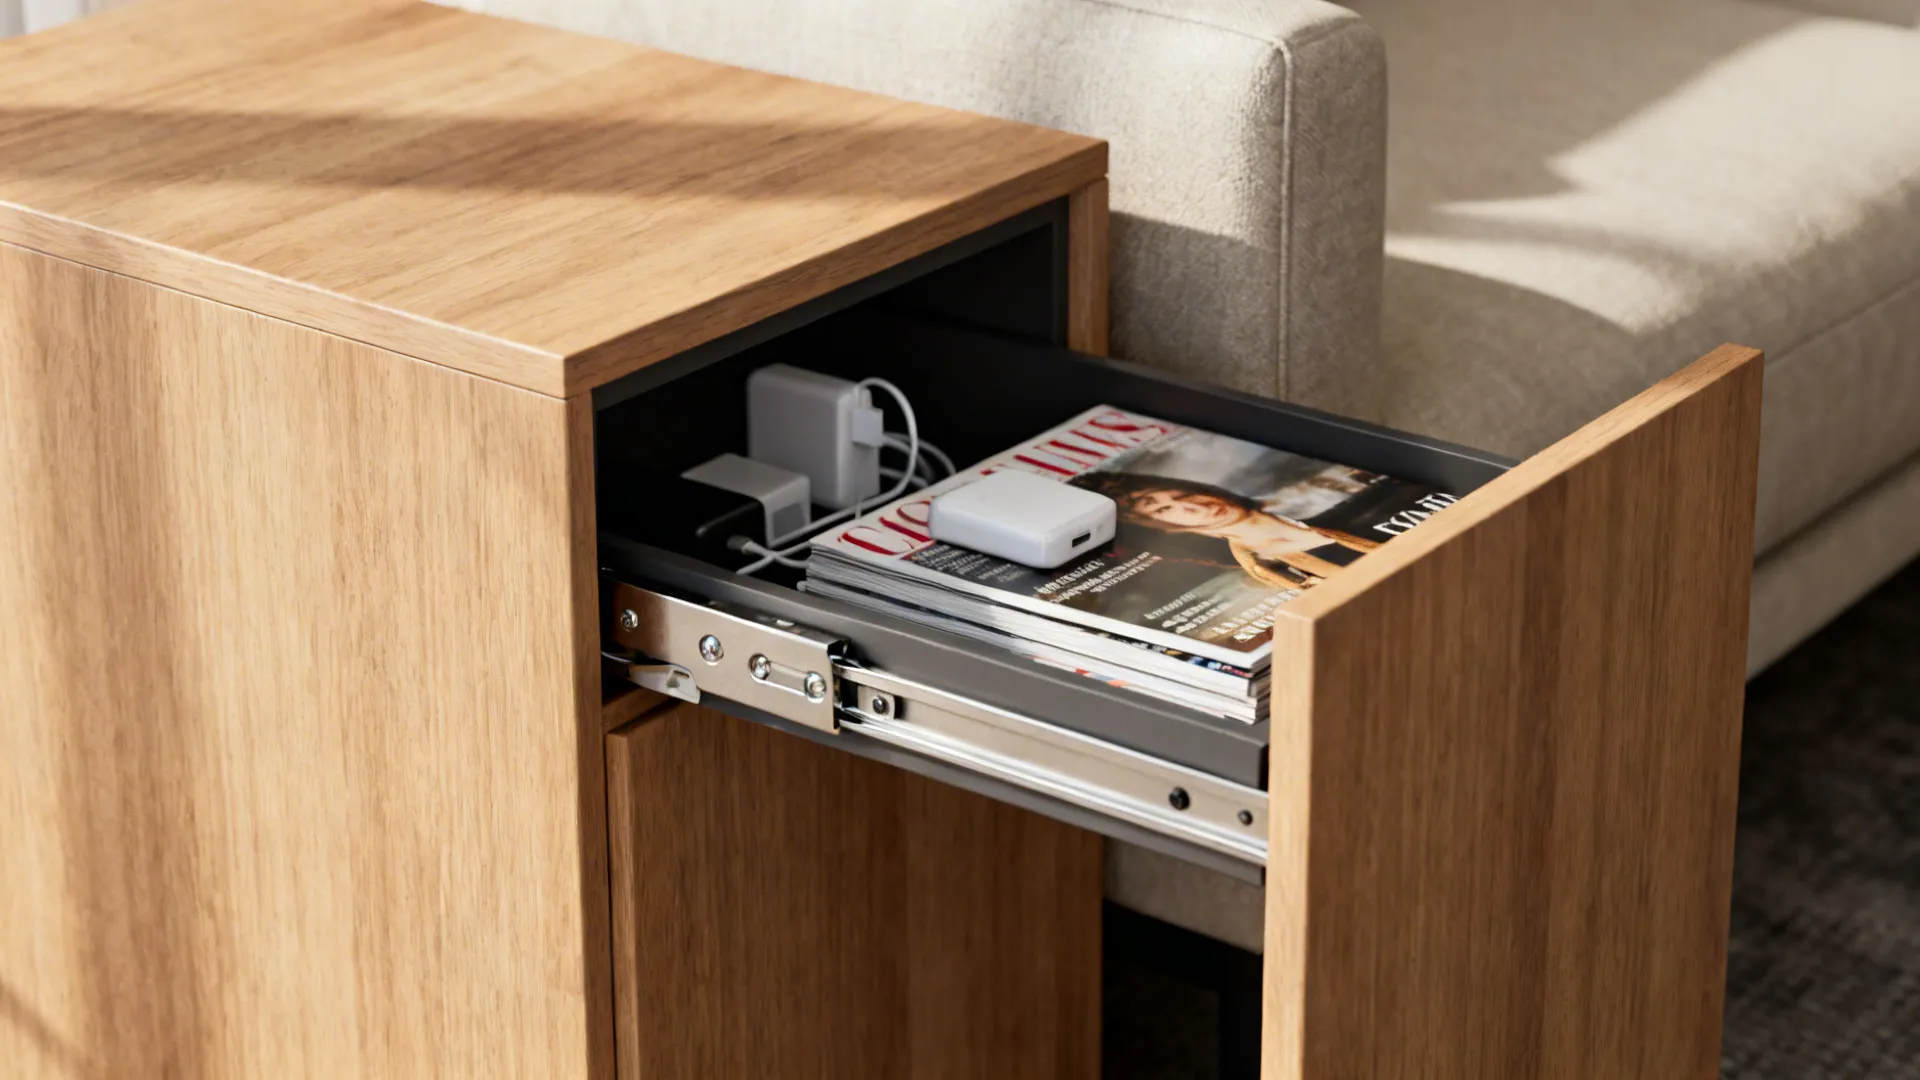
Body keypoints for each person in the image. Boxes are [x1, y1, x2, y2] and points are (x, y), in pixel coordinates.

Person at [1074, 472, 1378, 588]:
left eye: (1181, 494)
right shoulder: (1259, 573)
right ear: (1163, 529)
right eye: (1163, 510)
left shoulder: (1332, 488)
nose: (1196, 506)